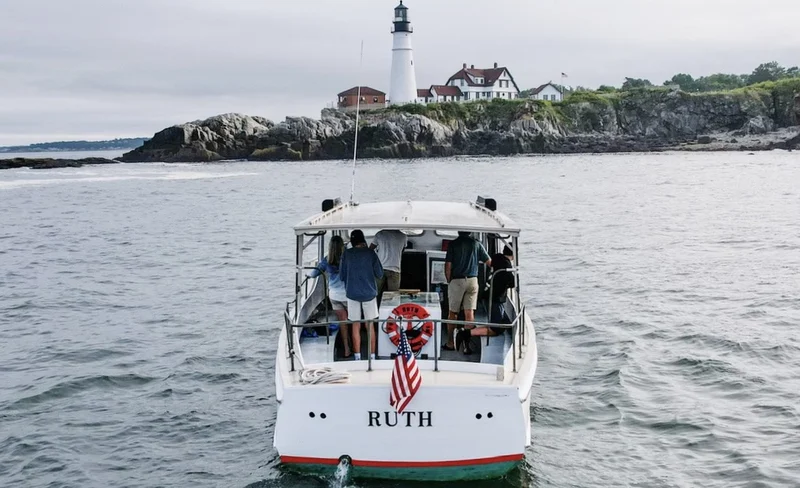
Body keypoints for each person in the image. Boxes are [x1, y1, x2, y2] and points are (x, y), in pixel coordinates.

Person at [456, 245, 515, 355]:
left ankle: (466, 332)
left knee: (505, 323)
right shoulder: (505, 264)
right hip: (494, 298)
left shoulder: (496, 259)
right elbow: (512, 282)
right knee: (496, 330)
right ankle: (465, 334)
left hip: (488, 295)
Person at [340, 229, 384, 360]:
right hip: (369, 294)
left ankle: (357, 357)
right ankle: (372, 356)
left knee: (355, 324)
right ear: (363, 239)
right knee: (369, 325)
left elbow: (342, 276)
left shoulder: (346, 254)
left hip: (352, 293)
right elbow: (380, 274)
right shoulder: (370, 254)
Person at [443, 231, 491, 351]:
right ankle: (466, 346)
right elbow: (489, 262)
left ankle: (450, 343)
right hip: (473, 280)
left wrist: (449, 281)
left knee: (452, 313)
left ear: (458, 231)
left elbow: (448, 265)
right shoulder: (477, 244)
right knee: (469, 313)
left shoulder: (453, 244)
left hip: (457, 280)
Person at [308, 235, 352, 358]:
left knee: (342, 322)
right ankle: (356, 344)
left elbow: (313, 274)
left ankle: (347, 349)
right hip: (348, 295)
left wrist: (307, 274)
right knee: (355, 320)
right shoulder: (348, 258)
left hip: (334, 296)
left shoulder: (326, 260)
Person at [370, 229, 407, 302]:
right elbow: (402, 250)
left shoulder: (379, 234)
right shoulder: (403, 236)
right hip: (395, 269)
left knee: (375, 294)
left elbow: (370, 249)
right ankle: (390, 311)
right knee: (393, 296)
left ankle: (376, 311)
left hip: (380, 269)